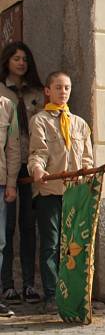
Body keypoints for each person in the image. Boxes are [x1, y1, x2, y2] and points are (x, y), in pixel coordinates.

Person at [29, 72, 94, 312]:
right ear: (47, 90)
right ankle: (51, 294)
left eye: (67, 87)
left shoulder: (80, 123)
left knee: (74, 244)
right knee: (52, 244)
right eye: (58, 87)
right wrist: (37, 170)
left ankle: (74, 292)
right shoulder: (40, 120)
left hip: (75, 194)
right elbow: (38, 152)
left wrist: (88, 176)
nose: (63, 91)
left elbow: (86, 158)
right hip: (50, 191)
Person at [0, 42, 44, 306]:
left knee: (29, 225)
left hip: (32, 164)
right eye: (16, 58)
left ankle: (29, 284)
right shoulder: (2, 93)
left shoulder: (37, 92)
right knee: (6, 228)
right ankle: (7, 286)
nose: (21, 63)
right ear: (6, 61)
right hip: (6, 168)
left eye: (25, 59)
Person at [0, 81, 21, 317]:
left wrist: (12, 183)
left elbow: (13, 148)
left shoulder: (7, 107)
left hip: (0, 183)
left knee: (0, 242)